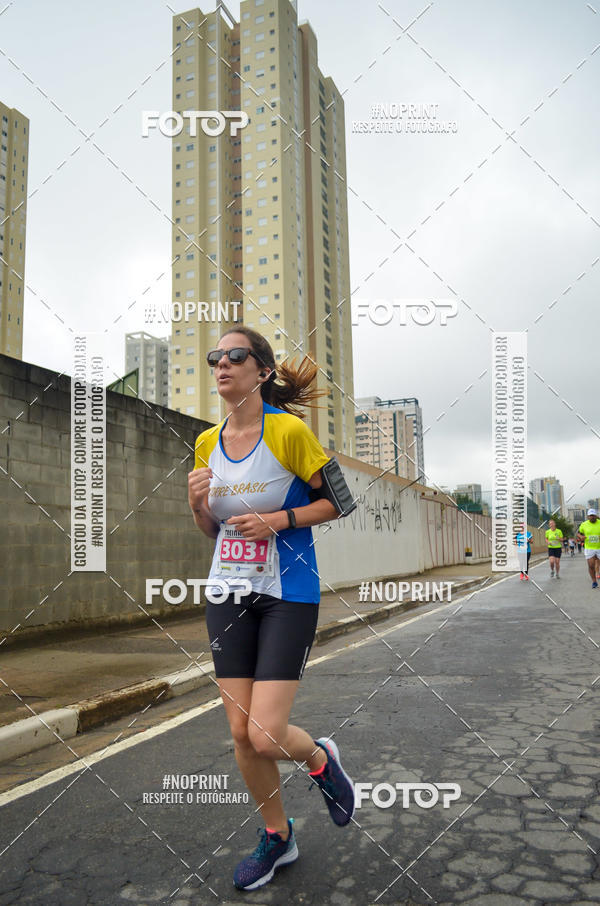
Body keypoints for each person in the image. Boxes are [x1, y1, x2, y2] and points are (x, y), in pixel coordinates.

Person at [187, 327, 356, 891]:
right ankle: (278, 836)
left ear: (261, 371)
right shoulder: (206, 443)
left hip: (288, 594)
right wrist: (196, 506)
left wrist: (278, 520)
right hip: (227, 594)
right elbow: (213, 532)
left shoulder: (289, 432)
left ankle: (319, 759)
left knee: (265, 733)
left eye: (235, 355)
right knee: (241, 733)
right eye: (215, 356)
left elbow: (340, 502)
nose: (222, 363)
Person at [576, 508, 600, 588]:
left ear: (596, 516)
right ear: (588, 516)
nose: (592, 517)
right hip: (589, 548)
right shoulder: (584, 524)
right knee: (591, 566)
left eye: (593, 515)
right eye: (590, 515)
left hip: (599, 547)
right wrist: (581, 537)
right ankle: (594, 581)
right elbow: (578, 534)